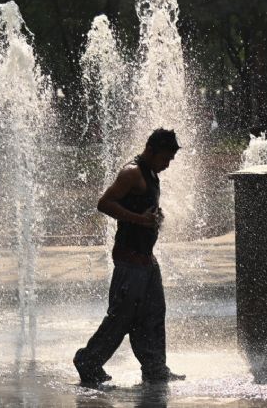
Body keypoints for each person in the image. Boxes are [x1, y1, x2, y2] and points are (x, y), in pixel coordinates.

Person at [74, 128, 186, 385]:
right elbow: (104, 203)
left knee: (153, 315)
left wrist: (155, 217)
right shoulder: (132, 173)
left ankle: (155, 369)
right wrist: (139, 219)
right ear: (151, 150)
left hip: (147, 261)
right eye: (165, 158)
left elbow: (141, 207)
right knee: (121, 319)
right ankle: (88, 361)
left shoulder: (151, 174)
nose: (168, 164)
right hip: (130, 261)